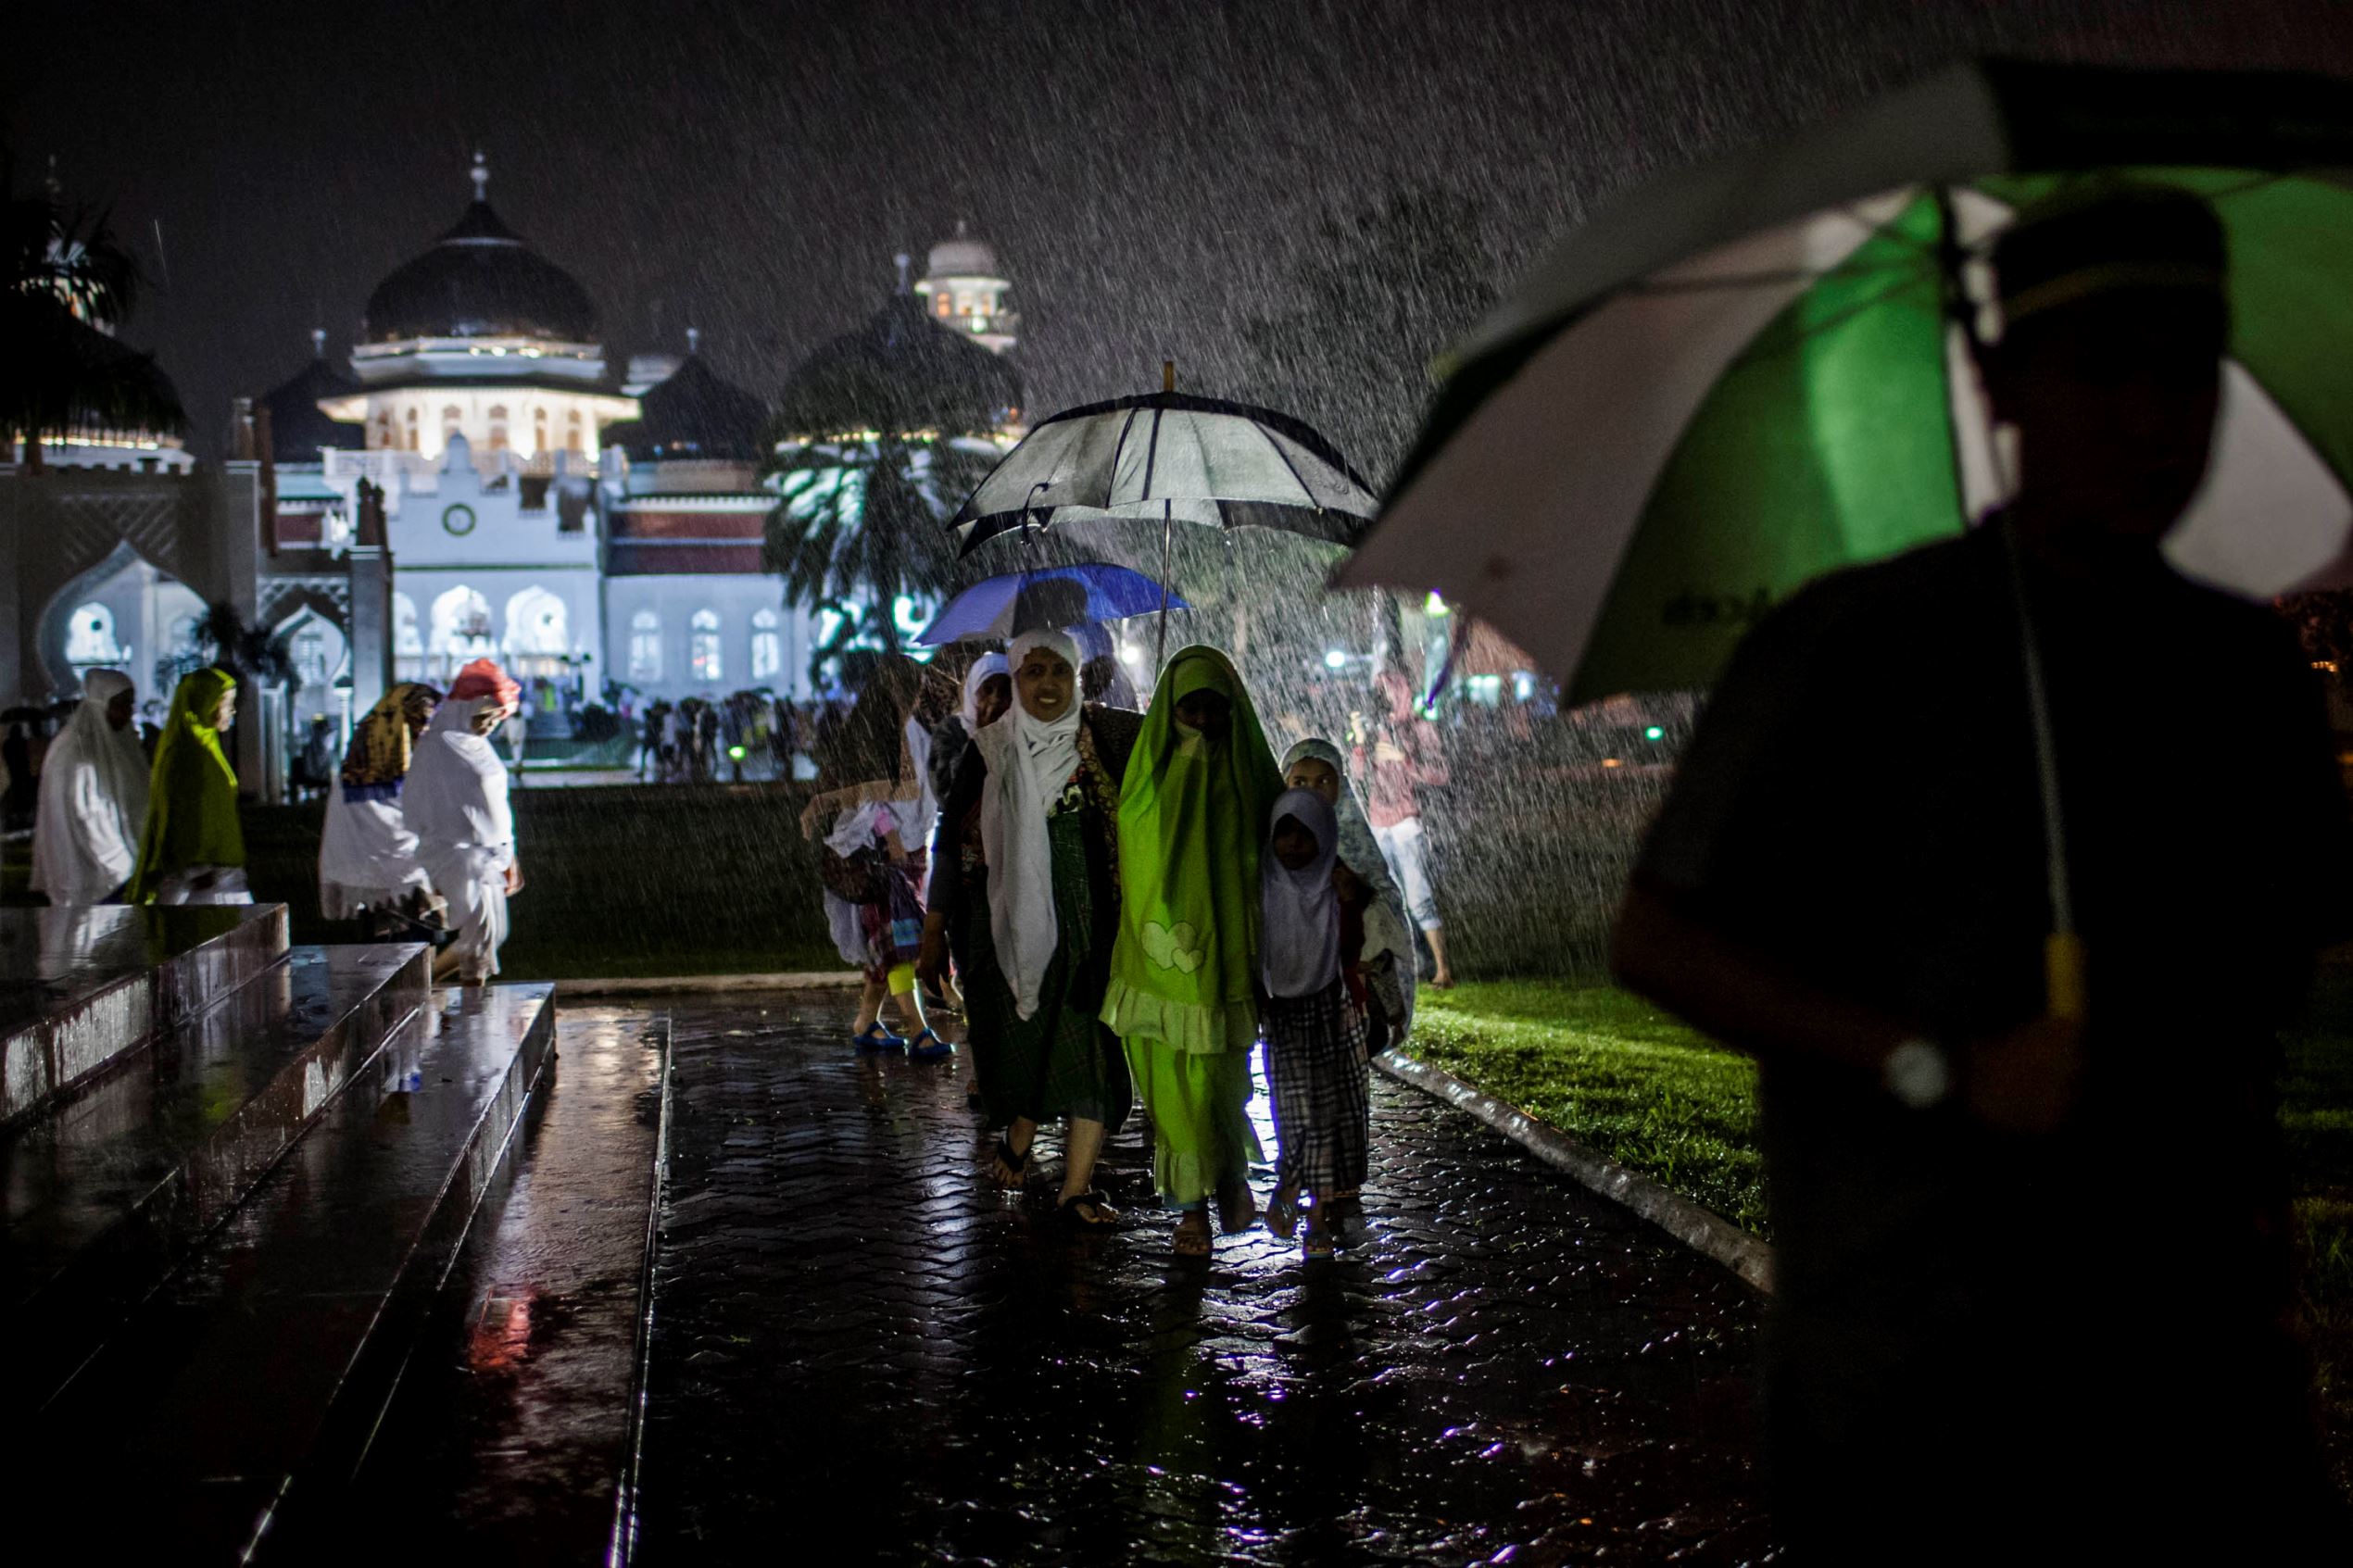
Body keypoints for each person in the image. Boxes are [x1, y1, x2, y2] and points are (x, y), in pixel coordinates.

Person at [1611, 185, 2350, 1561]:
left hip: (2203, 1377)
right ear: (2003, 378)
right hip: (1924, 1382)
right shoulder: (1851, 650)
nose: (2148, 419)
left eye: (2184, 372)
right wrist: (1936, 1064)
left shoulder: (2246, 672)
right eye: (2101, 369)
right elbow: (1662, 934)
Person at [920, 630, 1142, 1222]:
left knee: (1093, 1041)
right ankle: (1022, 1122)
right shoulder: (989, 751)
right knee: (1026, 1038)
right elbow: (948, 845)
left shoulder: (1108, 743)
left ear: (1076, 677)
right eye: (1033, 671)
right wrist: (933, 931)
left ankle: (1077, 1186)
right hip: (1007, 922)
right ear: (1014, 680)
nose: (1047, 685)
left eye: (1059, 672)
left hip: (1094, 924)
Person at [1101, 645, 1280, 1257]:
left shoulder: (1246, 775)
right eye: (1189, 709)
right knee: (1173, 1090)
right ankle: (1189, 1211)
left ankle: (1228, 1171)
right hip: (1159, 970)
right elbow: (1140, 851)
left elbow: (1274, 849)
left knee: (1222, 1080)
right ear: (1170, 711)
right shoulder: (1147, 782)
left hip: (1227, 962)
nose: (1202, 721)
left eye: (1214, 709)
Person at [799, 654, 947, 1058]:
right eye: (906, 687)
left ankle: (867, 1022)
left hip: (914, 848)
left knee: (890, 943)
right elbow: (875, 795)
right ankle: (918, 1030)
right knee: (898, 942)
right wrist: (889, 831)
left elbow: (913, 789)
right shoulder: (874, 734)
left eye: (916, 686)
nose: (914, 694)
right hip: (881, 853)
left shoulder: (915, 729)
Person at [1258, 786, 1373, 1261]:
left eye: (1305, 836)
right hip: (1282, 1016)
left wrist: (1351, 899)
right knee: (1294, 1116)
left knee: (1324, 1120)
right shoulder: (1262, 886)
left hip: (1327, 1012)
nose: (1292, 846)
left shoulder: (1335, 888)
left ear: (1324, 839)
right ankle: (1290, 1186)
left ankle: (1318, 1216)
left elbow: (1350, 949)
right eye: (1283, 835)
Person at [1281, 737, 1416, 1052]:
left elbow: (1386, 903)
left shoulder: (1354, 841)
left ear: (1340, 785)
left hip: (1352, 988)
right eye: (1300, 781)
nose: (1312, 790)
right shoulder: (1277, 839)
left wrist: (1354, 892)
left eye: (1324, 781)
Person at [406, 659, 524, 985]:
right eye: (485, 717)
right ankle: (449, 996)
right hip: (453, 852)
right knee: (477, 930)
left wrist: (508, 853)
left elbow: (496, 803)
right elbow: (422, 800)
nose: (490, 726)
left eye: (497, 718)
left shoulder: (478, 748)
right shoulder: (438, 746)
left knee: (493, 933)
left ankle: (437, 984)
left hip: (488, 854)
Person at [1353, 669, 1455, 987]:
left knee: (1418, 897)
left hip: (1406, 823)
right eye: (1379, 693)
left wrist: (1403, 758)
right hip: (1378, 822)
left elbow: (1440, 774)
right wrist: (1358, 742)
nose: (1382, 699)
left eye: (1387, 691)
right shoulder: (1373, 730)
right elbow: (1356, 774)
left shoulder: (1419, 727)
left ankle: (1443, 970)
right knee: (1385, 898)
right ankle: (1405, 966)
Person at [319, 682, 444, 932]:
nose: (427, 730)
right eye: (421, 722)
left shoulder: (356, 764)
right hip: (393, 882)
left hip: (375, 878)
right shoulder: (380, 766)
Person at [126, 668, 249, 906]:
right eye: (226, 704)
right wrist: (198, 868)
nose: (232, 711)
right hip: (201, 882)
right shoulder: (185, 753)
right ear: (206, 703)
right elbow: (181, 812)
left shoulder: (207, 746)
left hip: (221, 875)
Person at [30, 669, 148, 905]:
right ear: (100, 704)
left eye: (130, 705)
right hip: (95, 877)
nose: (127, 713)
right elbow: (89, 816)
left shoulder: (117, 744)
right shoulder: (74, 752)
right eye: (120, 705)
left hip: (120, 872)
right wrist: (122, 869)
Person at [927, 652, 1010, 807]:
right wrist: (981, 739)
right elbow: (946, 792)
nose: (996, 699)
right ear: (973, 691)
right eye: (988, 690)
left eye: (1005, 691)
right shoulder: (951, 730)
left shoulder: (1019, 732)